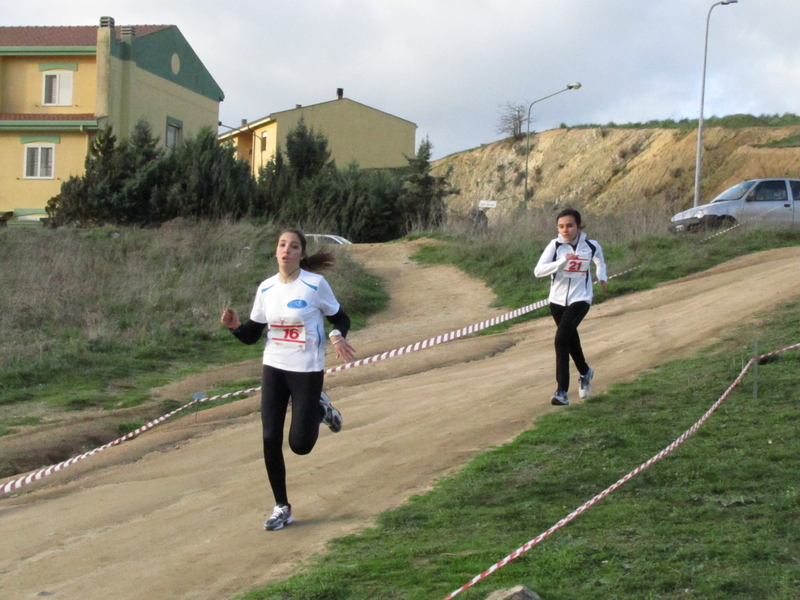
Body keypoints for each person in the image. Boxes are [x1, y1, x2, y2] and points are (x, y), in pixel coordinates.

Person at [220, 229, 356, 531]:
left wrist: (336, 337)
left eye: (293, 246)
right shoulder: (266, 289)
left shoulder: (314, 284)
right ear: (276, 251)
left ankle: (320, 409)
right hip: (274, 367)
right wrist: (235, 326)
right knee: (270, 437)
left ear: (301, 255)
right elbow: (253, 335)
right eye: (282, 245)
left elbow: (341, 318)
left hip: (307, 369)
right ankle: (282, 506)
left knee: (300, 445)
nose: (286, 250)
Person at [534, 208, 607, 406]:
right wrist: (561, 262)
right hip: (557, 301)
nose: (565, 230)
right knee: (570, 340)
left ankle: (561, 392)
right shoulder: (555, 245)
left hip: (581, 299)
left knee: (560, 340)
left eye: (569, 225)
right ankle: (585, 372)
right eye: (561, 226)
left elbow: (599, 260)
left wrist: (602, 277)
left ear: (579, 226)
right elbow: (538, 271)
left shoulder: (590, 246)